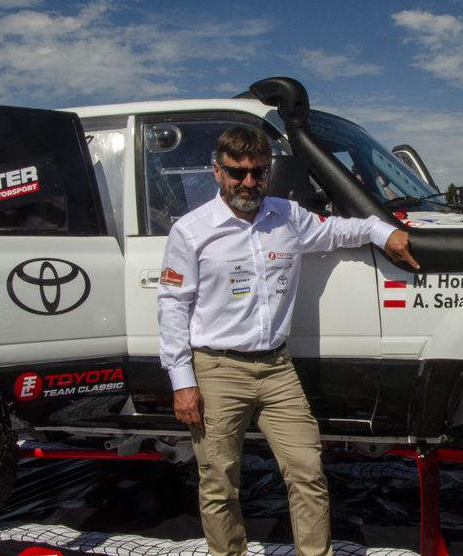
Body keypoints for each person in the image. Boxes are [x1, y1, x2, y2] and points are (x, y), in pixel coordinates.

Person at [158, 126, 418, 556]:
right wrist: (182, 381)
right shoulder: (191, 231)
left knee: (308, 470)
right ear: (216, 171)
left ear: (268, 171)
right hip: (217, 369)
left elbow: (336, 231)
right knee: (219, 482)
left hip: (277, 369)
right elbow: (172, 306)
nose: (248, 183)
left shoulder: (288, 217)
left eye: (258, 173)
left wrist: (379, 231)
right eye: (236, 173)